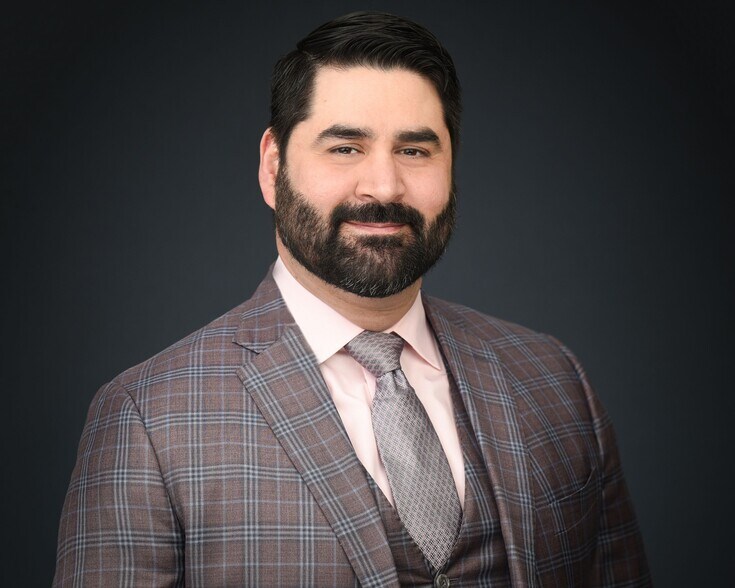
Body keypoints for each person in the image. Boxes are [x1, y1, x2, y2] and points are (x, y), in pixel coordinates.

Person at [53, 11, 651, 587]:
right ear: (273, 167)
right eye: (345, 147)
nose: (384, 186)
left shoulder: (553, 378)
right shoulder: (147, 418)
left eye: (415, 150)